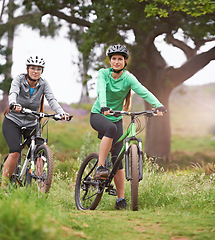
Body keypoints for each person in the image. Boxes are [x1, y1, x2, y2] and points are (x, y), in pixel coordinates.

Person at [90, 44, 166, 210]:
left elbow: (143, 91)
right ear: (110, 61)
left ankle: (120, 199)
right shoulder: (103, 74)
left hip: (116, 117)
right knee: (110, 129)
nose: (117, 62)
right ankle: (101, 166)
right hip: (99, 115)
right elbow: (101, 90)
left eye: (120, 59)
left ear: (125, 62)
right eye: (114, 59)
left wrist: (158, 105)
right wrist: (103, 105)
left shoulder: (129, 78)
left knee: (118, 159)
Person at [1, 55, 69, 189]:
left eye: (39, 69)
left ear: (42, 71)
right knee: (15, 151)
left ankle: (41, 184)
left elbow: (52, 99)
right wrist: (14, 104)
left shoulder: (44, 84)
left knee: (39, 150)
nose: (35, 71)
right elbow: (13, 93)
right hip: (13, 120)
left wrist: (61, 113)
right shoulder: (19, 80)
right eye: (33, 68)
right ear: (27, 69)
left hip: (32, 122)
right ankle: (3, 188)